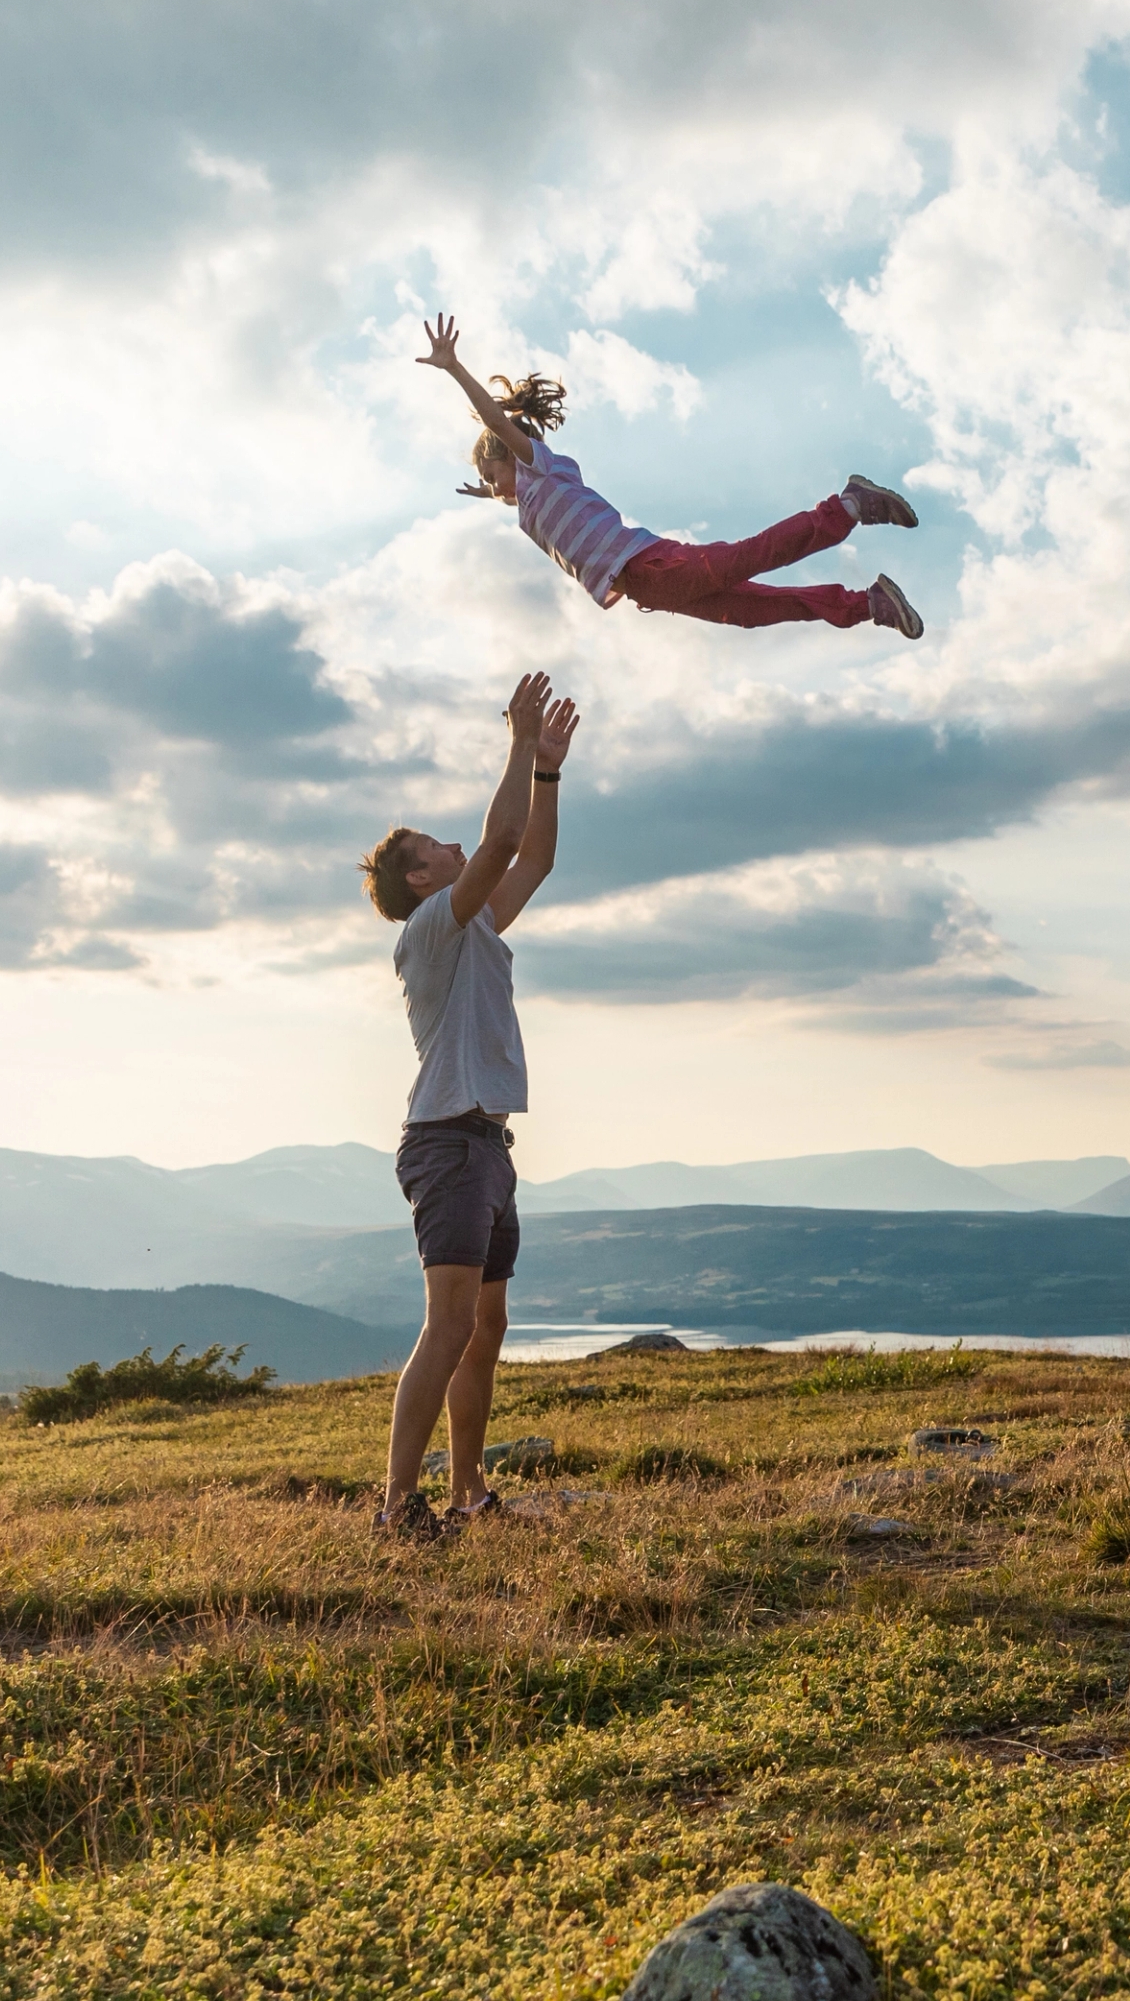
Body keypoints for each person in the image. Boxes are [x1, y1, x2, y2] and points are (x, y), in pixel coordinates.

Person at [358, 671, 580, 1541]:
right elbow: (502, 839)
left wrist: (549, 770)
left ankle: (468, 1494)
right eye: (436, 846)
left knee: (484, 1326)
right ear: (419, 879)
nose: (456, 845)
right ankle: (396, 1508)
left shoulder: (477, 923)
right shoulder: (430, 930)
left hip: (484, 1141)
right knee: (449, 1323)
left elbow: (536, 859)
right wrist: (519, 740)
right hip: (447, 1142)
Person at [416, 314, 926, 638]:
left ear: (508, 453)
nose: (496, 486)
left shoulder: (539, 465)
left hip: (650, 567)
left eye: (492, 471)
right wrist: (489, 491)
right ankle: (868, 605)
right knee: (754, 612)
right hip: (649, 590)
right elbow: (514, 496)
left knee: (755, 554)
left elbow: (494, 422)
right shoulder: (525, 499)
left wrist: (455, 369)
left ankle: (851, 505)